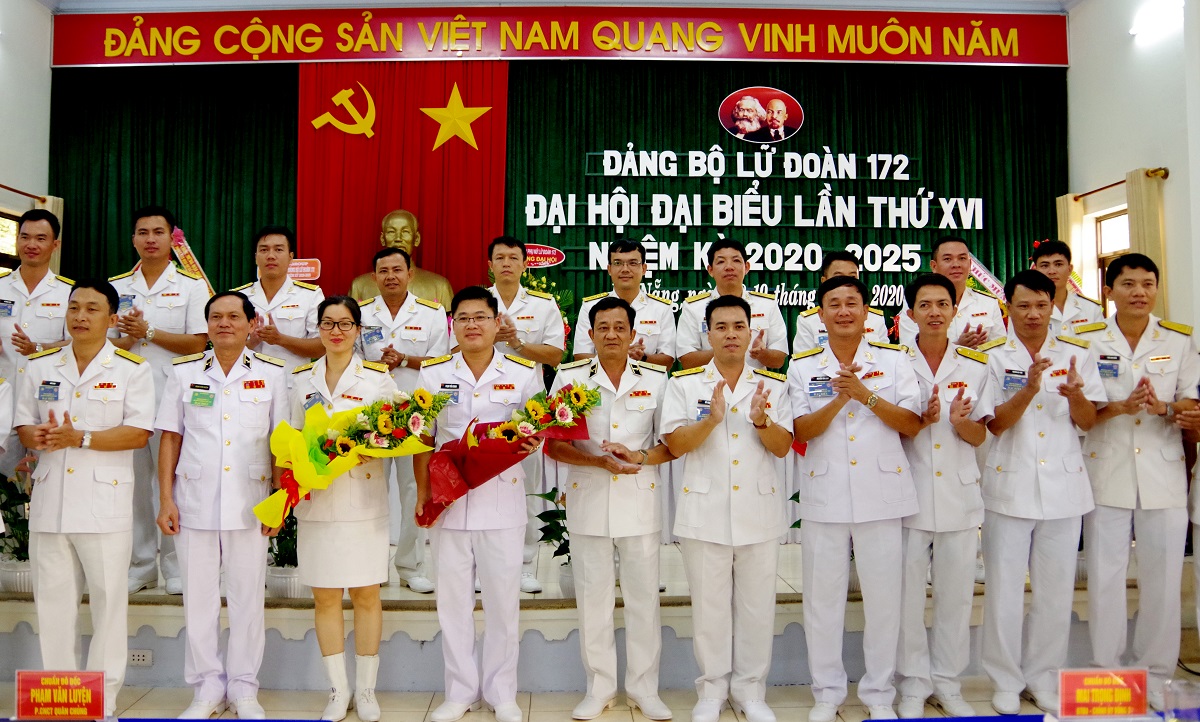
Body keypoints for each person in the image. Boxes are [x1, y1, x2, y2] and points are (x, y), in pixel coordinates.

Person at [15, 279, 155, 717]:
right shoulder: (39, 366)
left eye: (92, 309)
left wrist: (81, 437)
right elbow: (23, 425)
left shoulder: (132, 369)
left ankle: (102, 701)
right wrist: (36, 436)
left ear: (112, 318)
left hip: (103, 504)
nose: (80, 316)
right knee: (54, 606)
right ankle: (61, 700)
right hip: (51, 501)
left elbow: (139, 433)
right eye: (74, 307)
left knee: (109, 604)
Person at [789, 275, 923, 722]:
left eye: (852, 303)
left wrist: (865, 396)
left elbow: (912, 423)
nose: (844, 311)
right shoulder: (803, 365)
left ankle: (879, 693)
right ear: (820, 313)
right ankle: (827, 693)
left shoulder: (894, 360)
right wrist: (838, 400)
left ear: (866, 312)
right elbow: (801, 431)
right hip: (825, 493)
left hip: (881, 493)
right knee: (822, 600)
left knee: (884, 600)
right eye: (834, 303)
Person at [154, 291, 288, 720]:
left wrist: (280, 501)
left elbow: (281, 442)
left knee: (248, 599)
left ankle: (245, 688)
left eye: (233, 316)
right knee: (199, 599)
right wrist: (165, 498)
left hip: (251, 502)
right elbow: (170, 437)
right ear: (207, 324)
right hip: (193, 500)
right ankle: (206, 688)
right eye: (216, 317)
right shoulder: (184, 372)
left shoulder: (272, 373)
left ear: (251, 324)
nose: (224, 323)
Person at [1074, 254, 1199, 710]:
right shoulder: (1087, 339)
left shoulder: (1179, 339)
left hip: (1162, 473)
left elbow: (1190, 401)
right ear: (1109, 291)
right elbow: (1083, 410)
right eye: (1128, 284)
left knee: (1162, 580)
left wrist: (1165, 407)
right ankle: (1106, 673)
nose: (1139, 292)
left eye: (1148, 283)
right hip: (1106, 470)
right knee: (1105, 578)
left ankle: (1157, 676)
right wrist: (1120, 407)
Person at [414, 286, 544, 722]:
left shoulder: (522, 373)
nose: (472, 325)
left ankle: (502, 693)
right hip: (448, 502)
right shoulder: (433, 374)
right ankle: (460, 692)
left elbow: (538, 431)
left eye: (481, 317)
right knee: (452, 604)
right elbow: (423, 438)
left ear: (496, 323)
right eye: (464, 318)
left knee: (503, 603)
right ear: (453, 324)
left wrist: (530, 440)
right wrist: (423, 493)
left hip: (501, 501)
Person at [662, 295, 793, 722]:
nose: (731, 334)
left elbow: (783, 447)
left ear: (751, 332)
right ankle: (712, 691)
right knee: (710, 608)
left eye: (739, 326)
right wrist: (710, 421)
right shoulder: (685, 384)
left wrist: (762, 421)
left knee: (757, 608)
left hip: (758, 509)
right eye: (721, 327)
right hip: (705, 510)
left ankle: (751, 690)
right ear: (708, 334)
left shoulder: (772, 385)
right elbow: (675, 445)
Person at [979, 269, 1105, 715]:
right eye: (1023, 306)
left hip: (1064, 487)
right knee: (1004, 590)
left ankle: (1045, 676)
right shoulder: (991, 356)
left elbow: (1089, 421)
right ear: (1008, 307)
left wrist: (1075, 397)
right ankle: (1005, 679)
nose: (1033, 314)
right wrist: (1030, 389)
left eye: (1041, 305)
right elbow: (994, 423)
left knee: (1055, 591)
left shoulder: (1077, 352)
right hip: (1009, 485)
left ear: (1053, 305)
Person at [546, 297, 674, 722]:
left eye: (620, 327)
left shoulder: (655, 379)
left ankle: (644, 689)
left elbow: (670, 444)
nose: (612, 334)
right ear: (591, 334)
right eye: (604, 327)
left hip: (639, 501)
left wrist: (638, 458)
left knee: (643, 601)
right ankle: (599, 688)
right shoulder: (570, 378)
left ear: (633, 334)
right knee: (593, 600)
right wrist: (598, 462)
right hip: (589, 500)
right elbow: (555, 445)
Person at [290, 296, 398, 722]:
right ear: (318, 329)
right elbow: (289, 435)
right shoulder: (301, 380)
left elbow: (405, 427)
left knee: (367, 594)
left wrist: (379, 448)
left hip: (362, 500)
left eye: (345, 324)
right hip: (316, 502)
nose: (336, 331)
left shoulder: (377, 378)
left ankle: (367, 691)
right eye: (328, 323)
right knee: (325, 596)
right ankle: (338, 690)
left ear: (357, 330)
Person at [894, 275, 994, 719]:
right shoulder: (894, 362)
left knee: (955, 596)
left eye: (942, 304)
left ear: (955, 310)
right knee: (907, 597)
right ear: (910, 312)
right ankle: (913, 684)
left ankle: (948, 683)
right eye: (925, 304)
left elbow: (980, 435)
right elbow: (888, 427)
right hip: (907, 492)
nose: (934, 312)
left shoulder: (975, 364)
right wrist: (919, 417)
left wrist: (958, 422)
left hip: (958, 491)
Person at [109, 206, 210, 595]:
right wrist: (128, 338)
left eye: (158, 232)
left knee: (172, 482)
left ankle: (174, 565)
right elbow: (106, 345)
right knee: (134, 483)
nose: (150, 239)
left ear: (172, 238)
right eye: (142, 232)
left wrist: (148, 331)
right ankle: (141, 564)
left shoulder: (190, 286)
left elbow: (198, 342)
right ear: (133, 239)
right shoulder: (116, 287)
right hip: (125, 398)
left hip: (173, 396)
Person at [358, 246, 451, 593]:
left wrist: (406, 360)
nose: (391, 276)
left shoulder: (432, 312)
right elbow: (350, 360)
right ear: (374, 277)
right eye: (383, 271)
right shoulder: (360, 312)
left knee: (415, 489)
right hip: (372, 416)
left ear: (410, 274)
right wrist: (376, 365)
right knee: (372, 490)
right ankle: (371, 566)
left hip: (416, 415)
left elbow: (442, 363)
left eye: (397, 270)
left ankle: (411, 566)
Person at [487, 235, 566, 594]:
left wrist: (517, 343)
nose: (506, 263)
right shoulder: (477, 302)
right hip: (482, 402)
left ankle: (524, 564)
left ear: (524, 264)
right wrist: (490, 336)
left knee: (528, 486)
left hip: (526, 407)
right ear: (490, 265)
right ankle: (485, 567)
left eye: (513, 258)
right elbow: (453, 349)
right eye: (500, 258)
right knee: (481, 482)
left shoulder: (543, 304)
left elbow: (556, 355)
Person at [0, 209, 73, 480]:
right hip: (3, 401)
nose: (31, 244)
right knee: (5, 488)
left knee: (44, 482)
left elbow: (79, 344)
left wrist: (38, 349)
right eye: (25, 237)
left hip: (46, 404)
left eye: (41, 238)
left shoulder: (69, 293)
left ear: (55, 245)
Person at [676, 238, 788, 371]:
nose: (729, 267)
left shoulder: (767, 305)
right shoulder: (693, 308)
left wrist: (762, 354)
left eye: (736, 260)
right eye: (721, 261)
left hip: (755, 383)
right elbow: (687, 360)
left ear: (746, 267)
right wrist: (723, 350)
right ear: (710, 270)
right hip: (709, 383)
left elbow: (779, 360)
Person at [232, 225, 325, 376]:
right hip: (246, 382)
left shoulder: (310, 295)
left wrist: (280, 339)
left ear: (291, 257)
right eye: (264, 250)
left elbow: (321, 347)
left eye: (278, 249)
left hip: (292, 383)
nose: (271, 256)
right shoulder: (237, 297)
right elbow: (223, 347)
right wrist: (251, 343)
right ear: (256, 257)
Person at [573, 238, 676, 369]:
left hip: (647, 380)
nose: (625, 269)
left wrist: (642, 357)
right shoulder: (590, 306)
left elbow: (668, 361)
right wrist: (620, 356)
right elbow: (580, 356)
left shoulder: (661, 308)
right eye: (618, 263)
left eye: (633, 263)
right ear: (609, 269)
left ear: (644, 268)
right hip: (601, 380)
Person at [898, 236, 1006, 349]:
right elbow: (908, 348)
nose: (956, 264)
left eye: (962, 258)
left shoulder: (988, 303)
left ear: (970, 265)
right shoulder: (916, 302)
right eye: (947, 259)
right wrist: (957, 348)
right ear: (934, 266)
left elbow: (1000, 350)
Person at [349, 209, 454, 306]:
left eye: (405, 232)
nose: (398, 238)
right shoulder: (359, 286)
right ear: (382, 238)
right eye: (391, 232)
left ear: (416, 239)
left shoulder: (440, 286)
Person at [793, 250, 888, 351]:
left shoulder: (876, 319)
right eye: (838, 277)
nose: (846, 283)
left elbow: (885, 357)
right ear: (824, 281)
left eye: (852, 277)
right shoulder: (808, 321)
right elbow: (804, 360)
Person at [1030, 240, 1104, 336]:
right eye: (1045, 265)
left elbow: (1100, 344)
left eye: (1058, 264)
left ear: (1070, 269)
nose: (1052, 271)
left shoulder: (1091, 308)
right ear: (1035, 271)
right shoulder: (1023, 310)